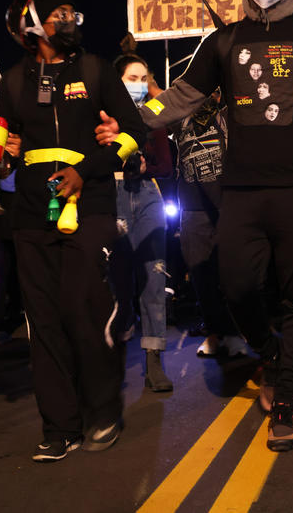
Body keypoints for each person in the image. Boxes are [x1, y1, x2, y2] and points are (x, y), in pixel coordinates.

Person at [100, 0, 293, 451]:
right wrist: (134, 124)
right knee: (238, 286)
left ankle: (287, 396)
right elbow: (181, 96)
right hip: (241, 192)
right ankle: (269, 352)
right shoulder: (223, 41)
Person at [0, 0, 147, 462]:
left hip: (92, 207)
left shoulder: (97, 70)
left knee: (83, 309)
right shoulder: (14, 81)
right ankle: (59, 425)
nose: (69, 19)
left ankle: (103, 411)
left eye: (69, 12)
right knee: (43, 322)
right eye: (57, 14)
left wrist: (90, 168)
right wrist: (4, 158)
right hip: (31, 215)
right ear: (30, 26)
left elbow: (134, 136)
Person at [114, 53, 174, 392]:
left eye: (142, 79)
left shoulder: (154, 116)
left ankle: (154, 362)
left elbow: (165, 166)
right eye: (130, 78)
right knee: (117, 280)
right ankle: (116, 358)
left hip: (148, 195)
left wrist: (145, 168)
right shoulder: (103, 114)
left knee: (154, 275)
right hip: (113, 192)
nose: (137, 85)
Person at [174, 91, 247, 358]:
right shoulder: (180, 119)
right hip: (193, 210)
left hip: (227, 206)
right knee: (202, 278)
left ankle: (237, 333)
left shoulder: (228, 115)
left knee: (232, 277)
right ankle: (216, 334)